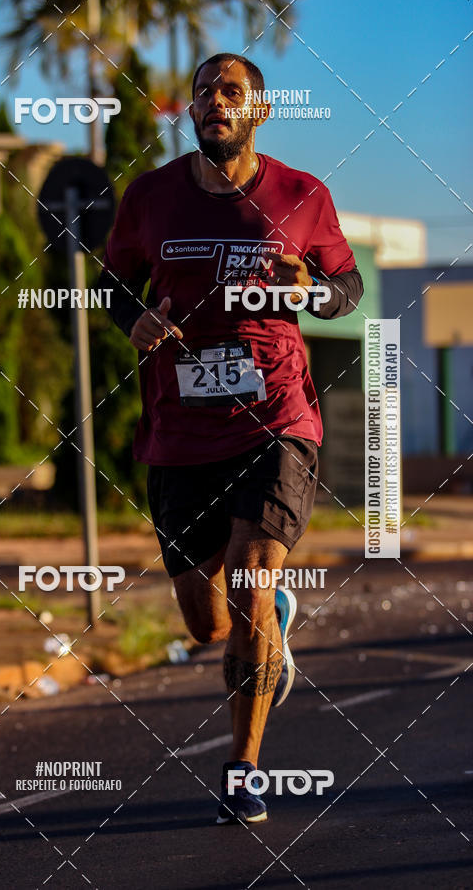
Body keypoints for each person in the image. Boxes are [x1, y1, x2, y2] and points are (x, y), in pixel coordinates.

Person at [100, 52, 363, 824]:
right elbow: (112, 283)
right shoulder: (149, 198)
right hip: (180, 432)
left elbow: (344, 286)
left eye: (231, 91)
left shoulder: (303, 195)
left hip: (277, 419)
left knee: (249, 579)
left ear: (260, 111)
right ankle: (269, 621)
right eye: (203, 92)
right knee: (207, 623)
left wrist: (308, 290)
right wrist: (134, 319)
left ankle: (244, 769)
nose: (214, 101)